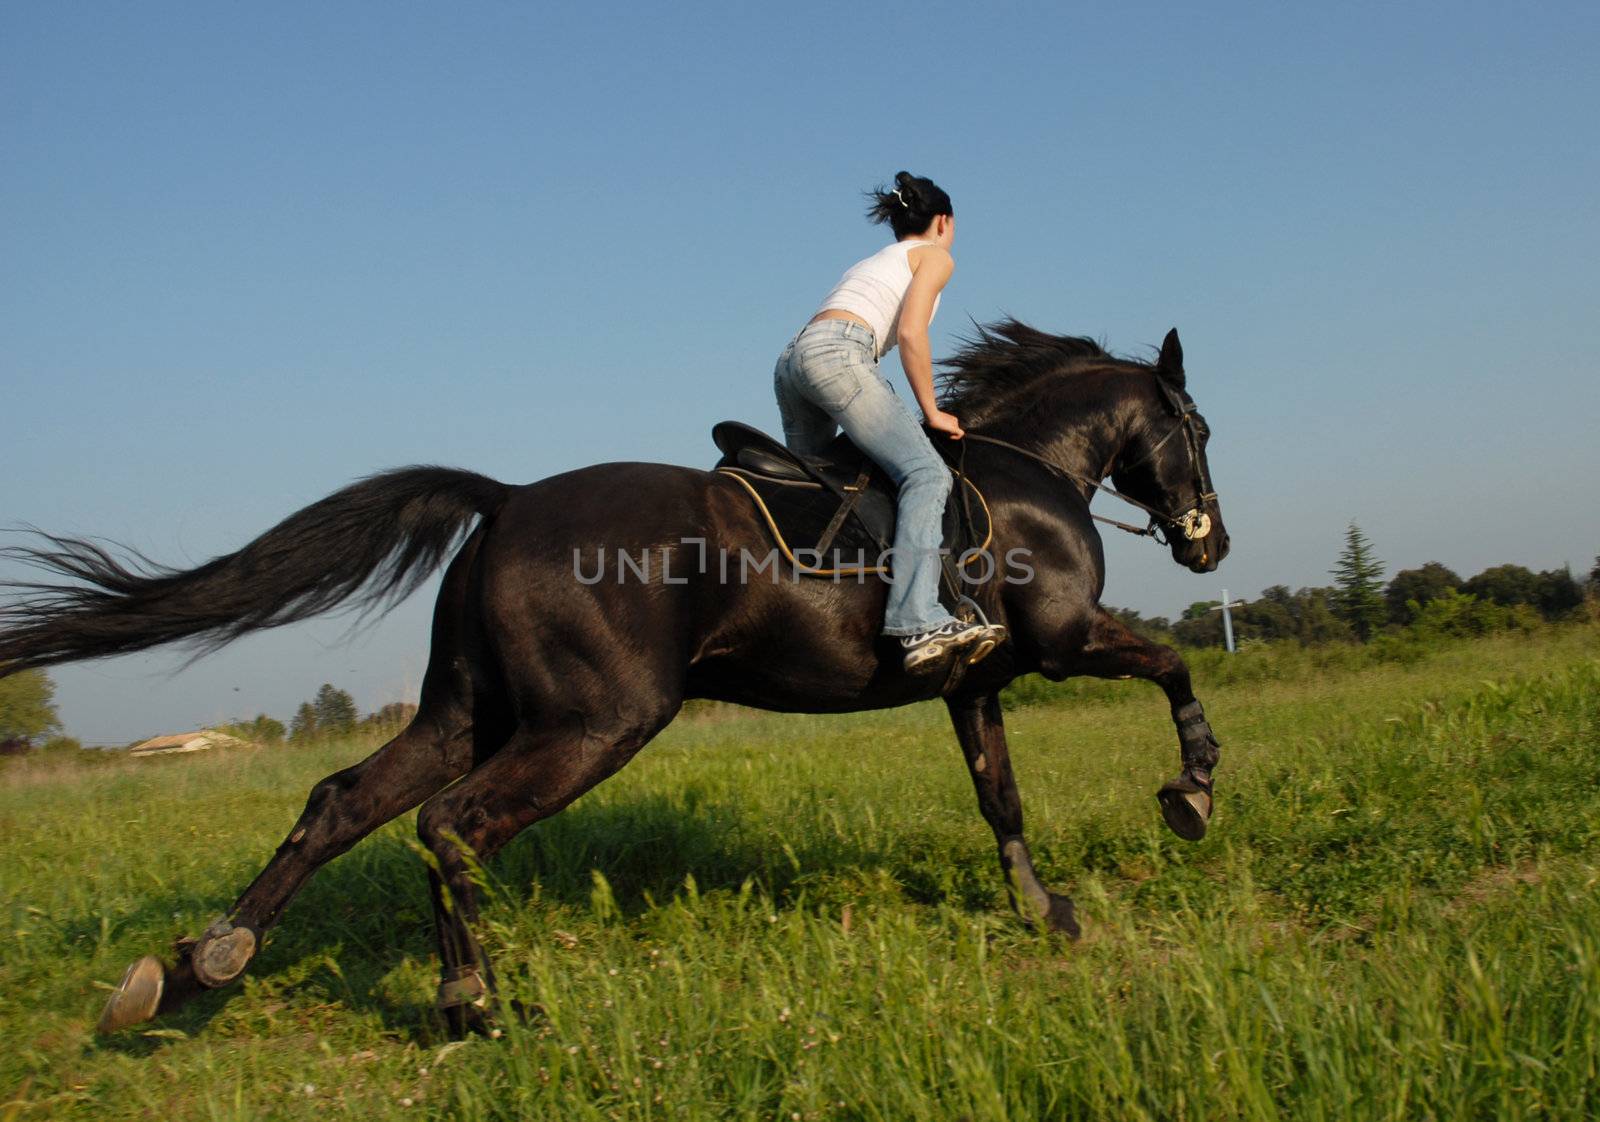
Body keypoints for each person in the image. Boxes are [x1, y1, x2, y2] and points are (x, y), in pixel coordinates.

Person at [772, 171, 994, 672]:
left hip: (793, 361)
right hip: (838, 356)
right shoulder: (936, 256)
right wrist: (933, 412)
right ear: (944, 221)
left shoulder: (875, 260)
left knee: (813, 490)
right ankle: (917, 618)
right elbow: (913, 333)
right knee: (926, 473)